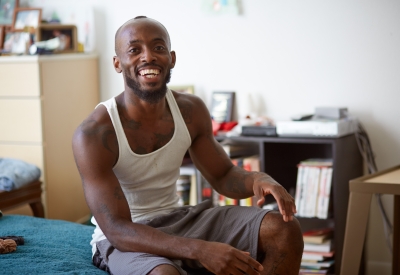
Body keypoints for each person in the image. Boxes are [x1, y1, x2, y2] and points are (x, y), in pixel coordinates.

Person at [72, 16, 303, 275]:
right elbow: (116, 228)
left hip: (181, 219)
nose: (148, 57)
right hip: (128, 237)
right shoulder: (94, 133)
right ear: (117, 63)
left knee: (285, 230)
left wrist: (258, 180)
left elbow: (223, 175)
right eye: (134, 50)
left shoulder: (190, 110)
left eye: (158, 47)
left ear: (171, 58)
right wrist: (200, 250)